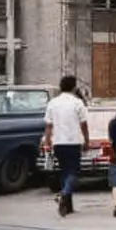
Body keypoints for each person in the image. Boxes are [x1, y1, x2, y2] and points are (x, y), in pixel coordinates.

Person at [43, 75, 89, 217]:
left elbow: (49, 125)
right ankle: (64, 194)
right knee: (74, 172)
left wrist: (47, 141)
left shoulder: (53, 103)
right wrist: (87, 140)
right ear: (74, 87)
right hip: (73, 141)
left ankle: (67, 206)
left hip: (58, 142)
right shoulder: (77, 103)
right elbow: (84, 124)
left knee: (64, 171)